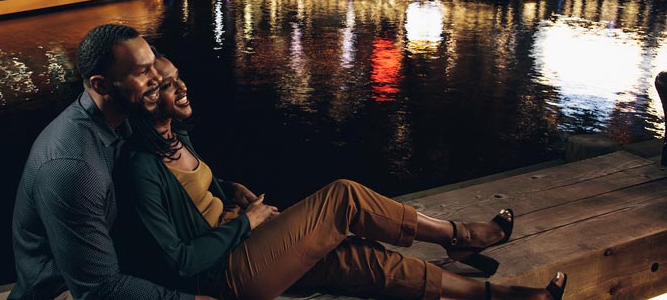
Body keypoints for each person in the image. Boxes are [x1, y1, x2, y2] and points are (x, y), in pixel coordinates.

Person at [114, 52, 568, 300]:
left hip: (243, 245)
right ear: (146, 100)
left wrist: (230, 191)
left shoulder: (177, 139)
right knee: (344, 197)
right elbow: (179, 261)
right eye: (167, 84)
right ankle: (457, 235)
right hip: (225, 277)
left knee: (362, 261)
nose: (181, 87)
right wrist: (245, 222)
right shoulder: (141, 166)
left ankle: (496, 297)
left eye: (177, 77)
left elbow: (201, 192)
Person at [10, 25, 212, 300]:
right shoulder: (73, 166)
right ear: (100, 85)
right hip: (62, 291)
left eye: (153, 66)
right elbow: (98, 289)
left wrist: (228, 188)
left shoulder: (118, 119)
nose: (156, 78)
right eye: (142, 72)